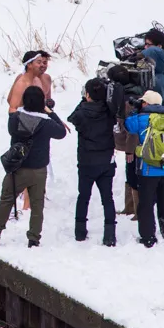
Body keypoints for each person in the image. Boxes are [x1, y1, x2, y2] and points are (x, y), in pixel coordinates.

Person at [0, 86, 67, 248]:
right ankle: (34, 238)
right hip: (39, 170)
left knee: (6, 199)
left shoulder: (15, 118)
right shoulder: (46, 123)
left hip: (18, 168)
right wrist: (50, 112)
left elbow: (12, 131)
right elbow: (61, 132)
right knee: (37, 204)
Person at [124, 90, 164, 247]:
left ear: (145, 103)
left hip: (148, 169)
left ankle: (148, 236)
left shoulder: (140, 120)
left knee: (146, 203)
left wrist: (135, 110)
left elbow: (128, 125)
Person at [67, 78, 117, 246]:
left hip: (87, 161)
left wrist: (83, 102)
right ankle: (110, 234)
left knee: (84, 196)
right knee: (107, 198)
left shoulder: (82, 113)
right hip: (106, 160)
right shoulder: (109, 111)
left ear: (87, 94)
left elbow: (72, 118)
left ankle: (80, 231)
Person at [7, 51, 55, 210]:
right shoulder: (23, 81)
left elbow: (46, 102)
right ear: (30, 64)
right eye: (39, 62)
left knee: (41, 159)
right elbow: (11, 104)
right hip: (26, 125)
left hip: (41, 124)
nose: (43, 65)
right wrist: (20, 123)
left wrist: (52, 114)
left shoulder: (46, 79)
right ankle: (26, 201)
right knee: (27, 161)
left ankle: (39, 192)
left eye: (45, 62)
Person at [106, 64, 143, 217]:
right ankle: (130, 208)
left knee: (134, 175)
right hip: (135, 144)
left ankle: (137, 211)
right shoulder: (136, 93)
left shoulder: (127, 102)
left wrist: (129, 150)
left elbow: (132, 130)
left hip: (134, 146)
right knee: (131, 173)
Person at [141, 28, 164, 108]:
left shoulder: (158, 78)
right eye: (145, 44)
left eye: (148, 45)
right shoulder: (152, 70)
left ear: (159, 46)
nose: (145, 47)